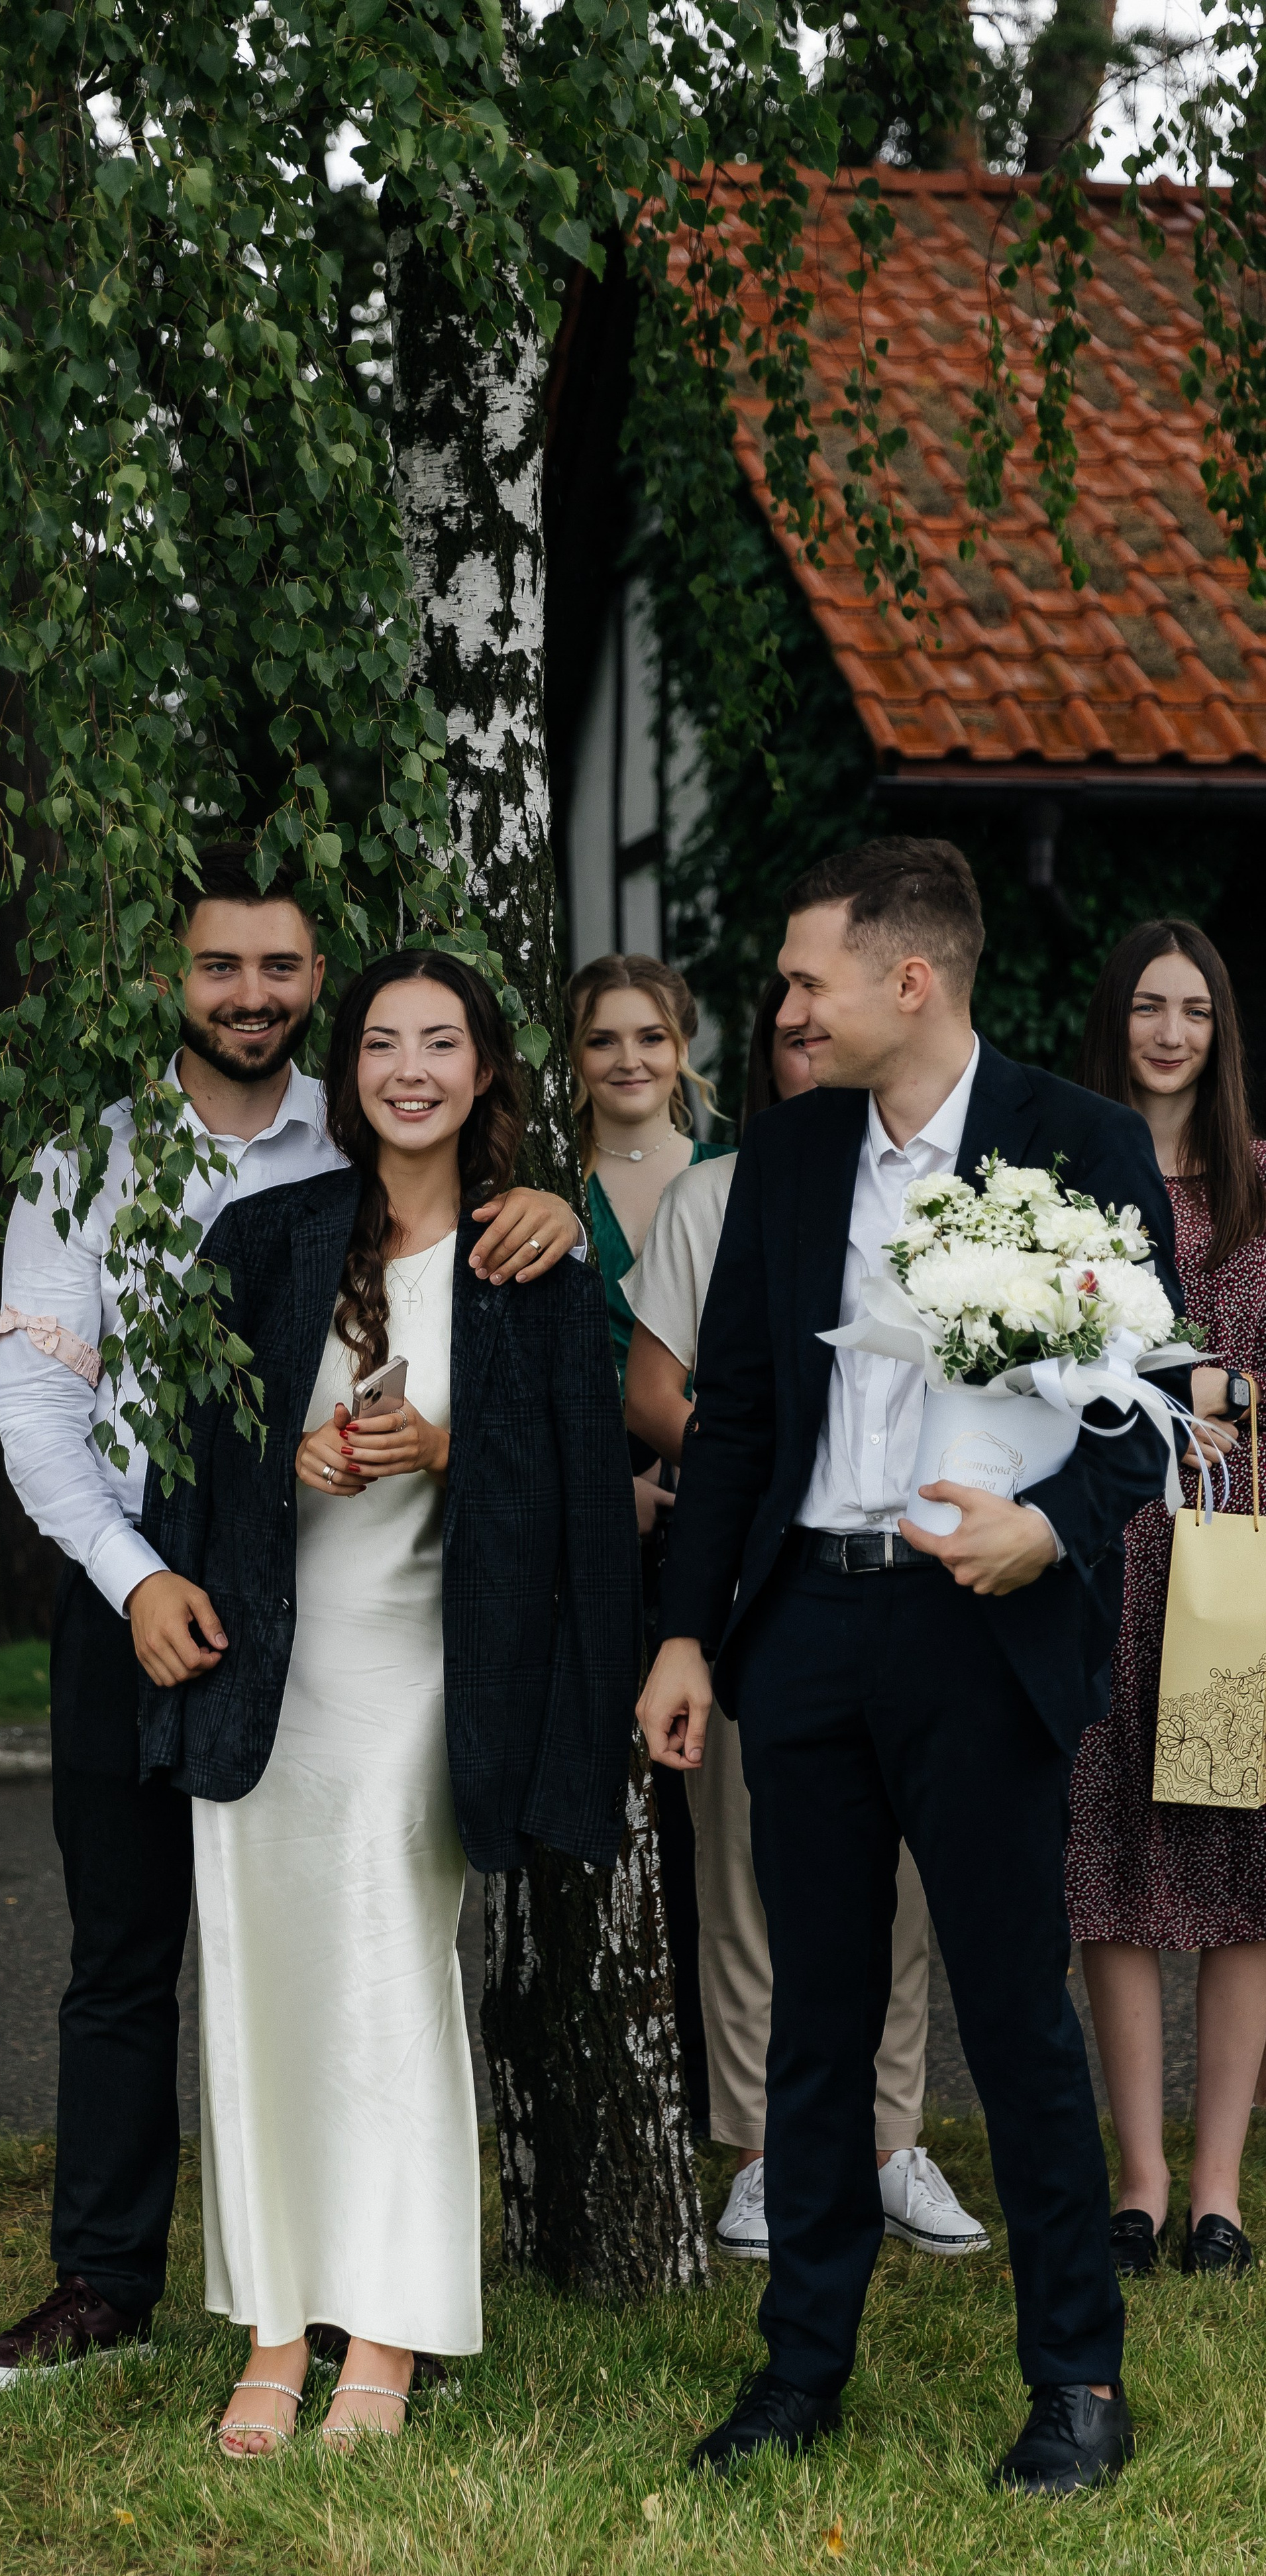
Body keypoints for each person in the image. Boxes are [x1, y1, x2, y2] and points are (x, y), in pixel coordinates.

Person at [0, 845, 585, 2389]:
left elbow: (489, 1306)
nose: (250, 995)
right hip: (138, 1592)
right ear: (172, 980)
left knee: (352, 1939)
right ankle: (104, 2283)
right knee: (130, 1948)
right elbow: (38, 1406)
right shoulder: (83, 1162)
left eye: (280, 968)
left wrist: (558, 1212)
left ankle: (362, 2291)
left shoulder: (365, 1142)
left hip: (363, 1626)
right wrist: (140, 1577)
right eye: (218, 966)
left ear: (320, 983)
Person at [638, 837, 1190, 2498]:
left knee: (1014, 2016)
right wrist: (683, 1626)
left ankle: (1074, 2384)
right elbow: (732, 1408)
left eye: (806, 979)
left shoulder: (1076, 1144)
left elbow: (1148, 1395)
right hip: (803, 1622)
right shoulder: (788, 1155)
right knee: (814, 2018)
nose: (784, 1007)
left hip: (981, 1630)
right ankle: (797, 2374)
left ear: (908, 979)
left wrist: (1051, 1531)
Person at [137, 950, 639, 2454]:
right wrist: (286, 1470)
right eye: (378, 1043)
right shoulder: (267, 1233)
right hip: (267, 1674)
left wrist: (444, 1450)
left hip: (427, 1679)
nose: (408, 1067)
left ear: (486, 1072)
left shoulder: (529, 1260)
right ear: (344, 1073)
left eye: (441, 1043)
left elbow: (577, 1512)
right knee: (255, 1986)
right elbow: (186, 1459)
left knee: (383, 1979)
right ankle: (278, 2324)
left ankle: (396, 2325)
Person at [624, 975, 988, 2265]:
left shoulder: (946, 1186)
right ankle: (767, 2155)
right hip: (764, 1581)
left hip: (915, 1583)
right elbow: (656, 1386)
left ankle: (889, 2145)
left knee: (896, 1894)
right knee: (749, 1877)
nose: (806, 1039)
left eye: (817, 1017)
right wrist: (766, 1458)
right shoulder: (718, 1196)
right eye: (783, 1030)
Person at [1065, 920, 1266, 2279]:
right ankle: (1134, 2182)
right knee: (1115, 1869)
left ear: (1219, 1031)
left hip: (1235, 1558)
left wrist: (1220, 1392)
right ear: (1114, 1022)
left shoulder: (1260, 1184)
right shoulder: (1067, 1183)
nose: (1169, 1031)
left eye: (1192, 1009)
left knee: (1237, 1871)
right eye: (1145, 1006)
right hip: (1101, 1540)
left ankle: (1216, 2191)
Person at [564, 951, 727, 2110]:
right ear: (574, 1062)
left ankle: (715, 2067)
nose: (629, 1060)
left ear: (684, 1051)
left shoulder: (734, 1177)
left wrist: (695, 1473)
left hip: (712, 1494)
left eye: (650, 1038)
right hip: (584, 1514)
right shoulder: (545, 1190)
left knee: (700, 1808)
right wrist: (600, 1486)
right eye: (604, 1040)